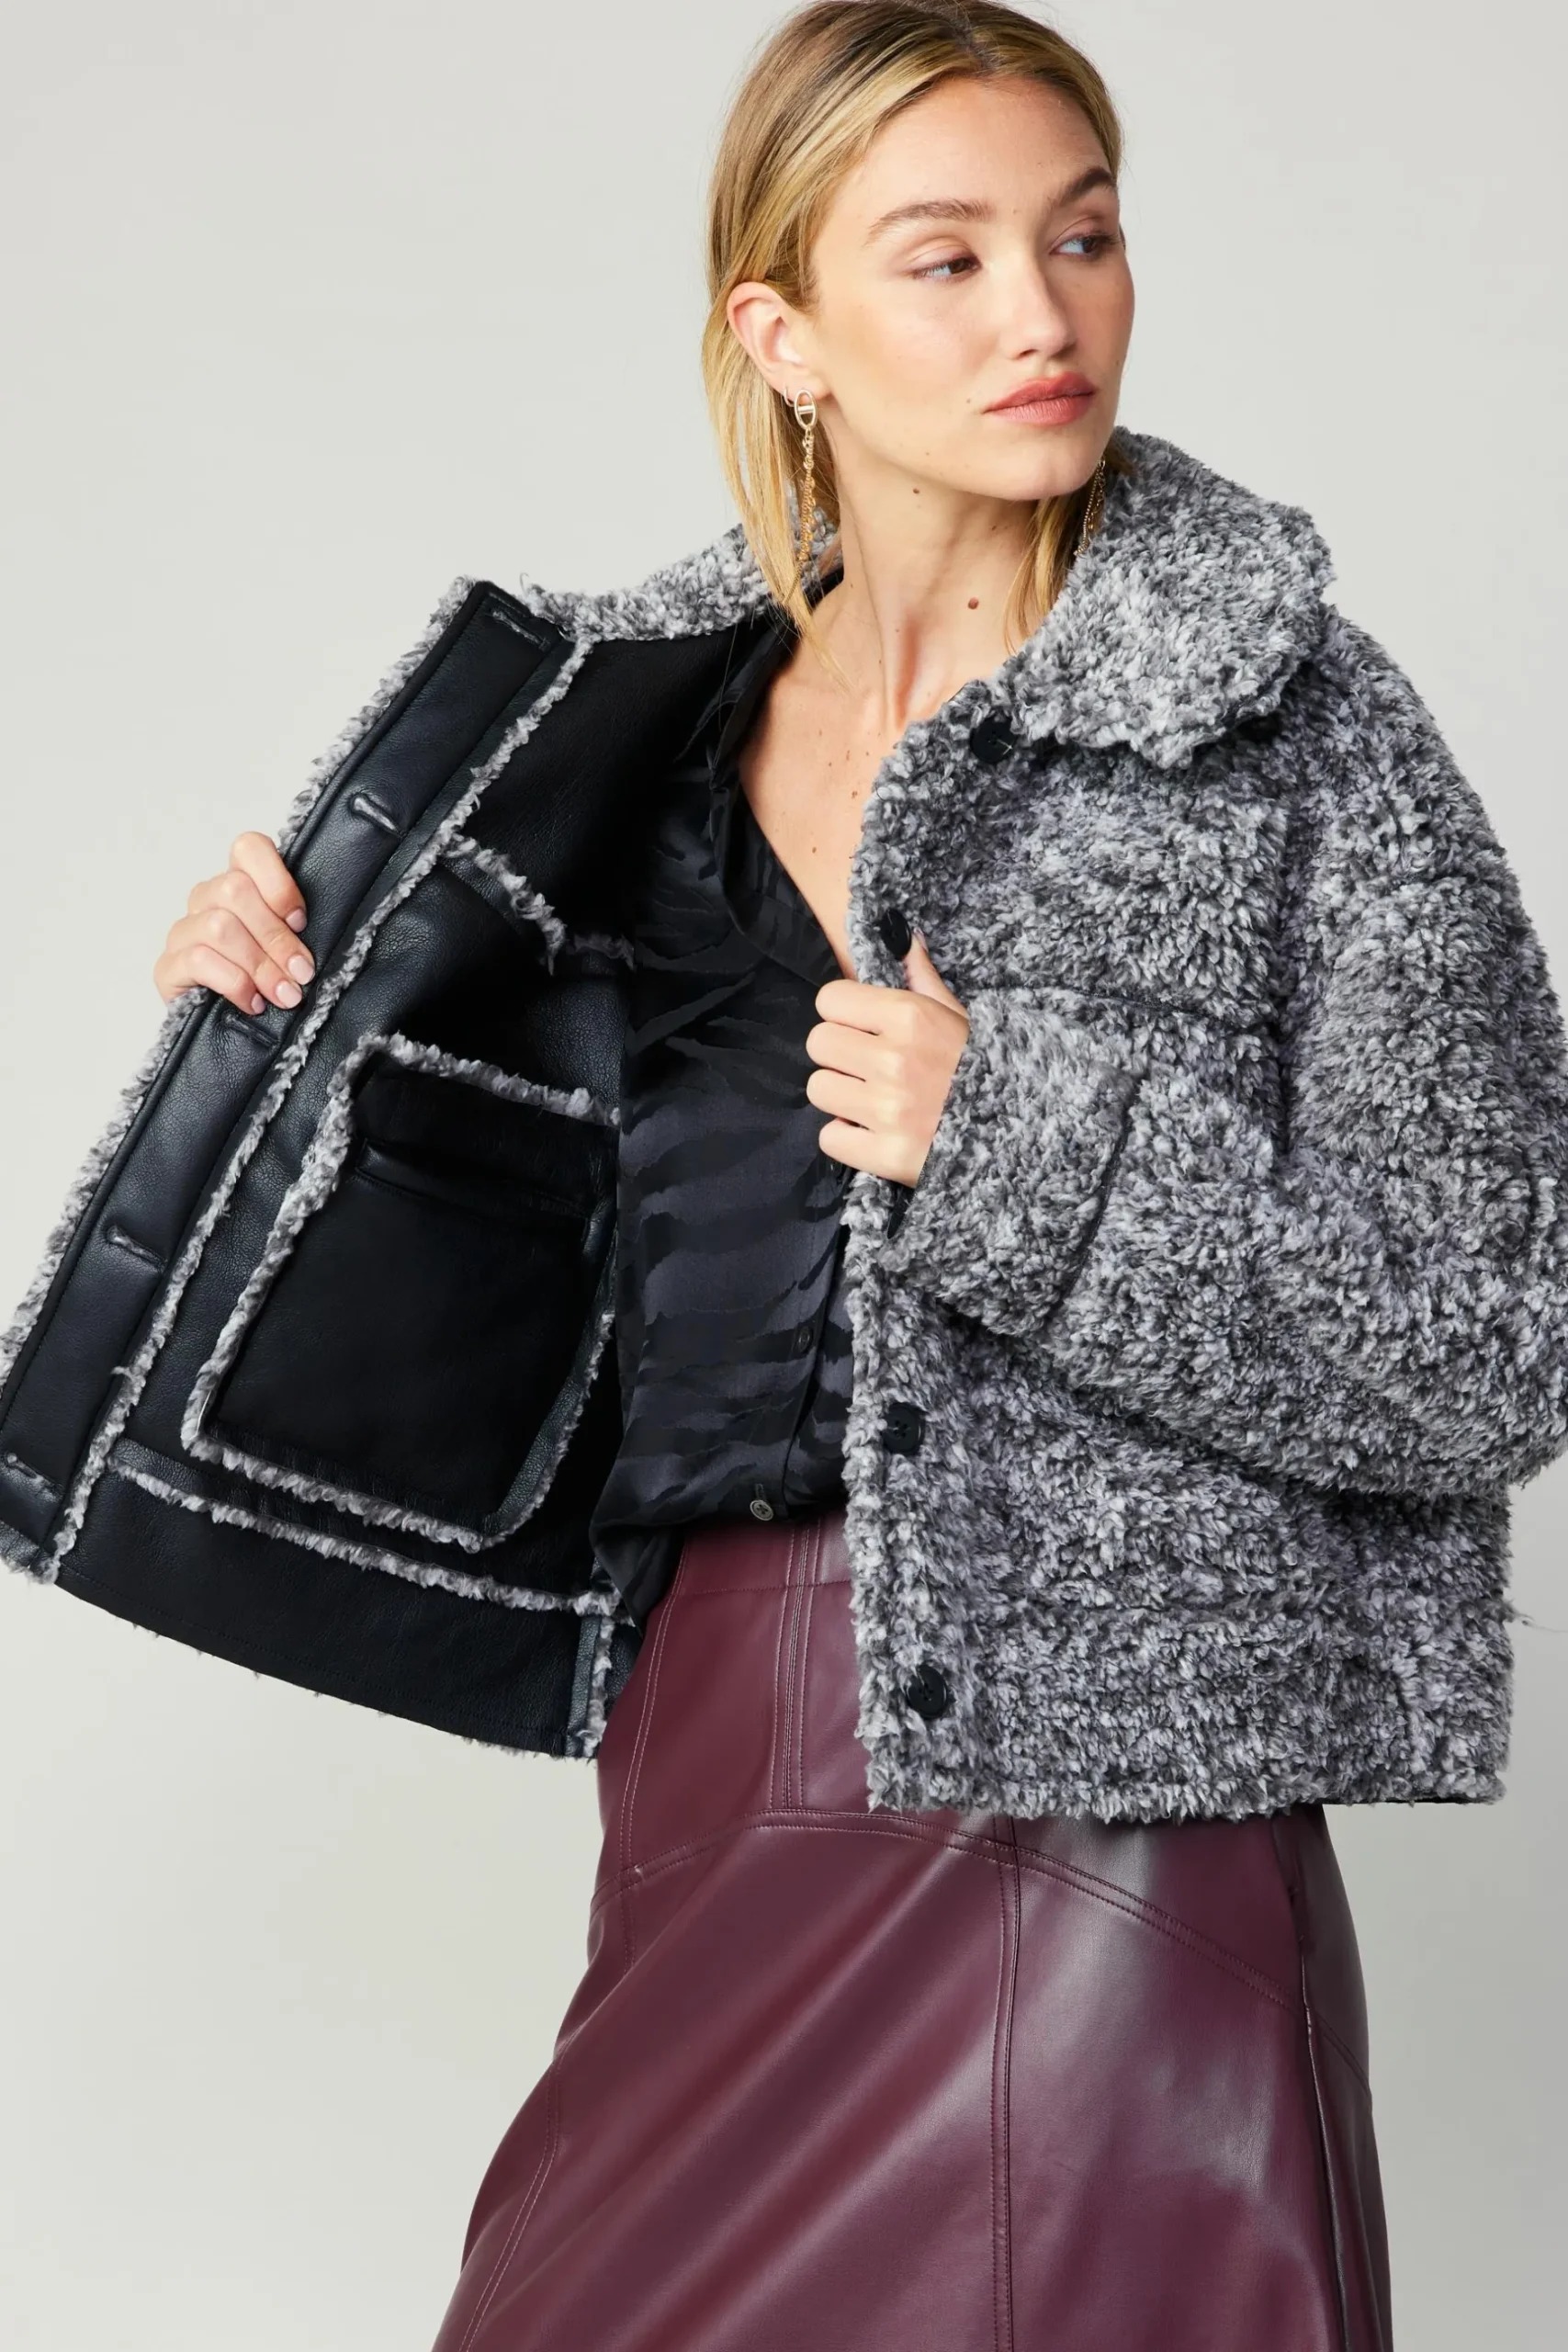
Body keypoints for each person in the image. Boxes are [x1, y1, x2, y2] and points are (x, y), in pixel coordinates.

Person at [3, 4, 1565, 2346]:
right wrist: (285, 1026)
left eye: (1083, 236)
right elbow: (507, 1284)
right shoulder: (613, 737)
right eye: (945, 257)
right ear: (784, 332)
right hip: (711, 1758)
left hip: (1111, 1830)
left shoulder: (1291, 725)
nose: (1041, 312)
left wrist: (1019, 1153)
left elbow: (1493, 1341)